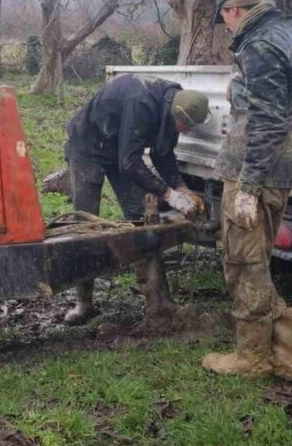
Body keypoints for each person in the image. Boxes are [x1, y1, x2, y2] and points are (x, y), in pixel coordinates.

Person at [63, 73, 209, 325]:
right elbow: (129, 162)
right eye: (186, 127)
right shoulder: (140, 102)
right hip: (88, 147)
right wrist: (169, 195)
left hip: (120, 148)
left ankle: (160, 298)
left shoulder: (174, 103)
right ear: (178, 115)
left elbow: (163, 154)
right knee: (84, 227)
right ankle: (84, 303)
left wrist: (182, 187)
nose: (187, 132)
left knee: (142, 216)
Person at [202, 0, 292, 378]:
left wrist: (248, 187)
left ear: (234, 9)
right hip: (279, 168)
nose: (226, 25)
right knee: (257, 261)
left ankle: (252, 358)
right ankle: (285, 353)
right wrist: (240, 88)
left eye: (225, 17)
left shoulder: (258, 44)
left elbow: (270, 120)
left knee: (244, 263)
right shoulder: (283, 33)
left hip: (256, 169)